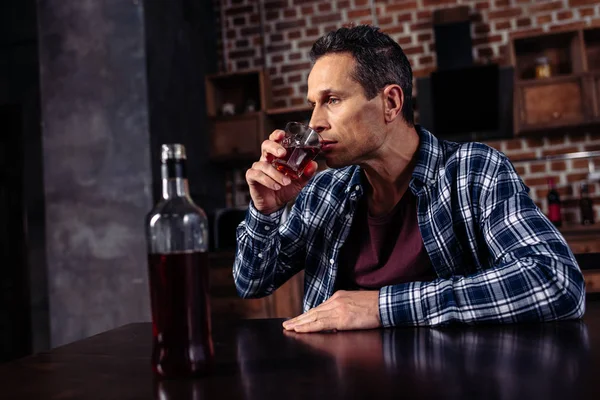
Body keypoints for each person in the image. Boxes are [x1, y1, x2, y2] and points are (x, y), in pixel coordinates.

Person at [233, 25, 585, 332]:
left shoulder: (474, 171)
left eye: (333, 100)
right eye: (313, 104)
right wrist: (265, 211)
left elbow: (556, 281)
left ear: (391, 102)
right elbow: (251, 282)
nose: (315, 123)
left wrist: (381, 307)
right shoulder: (324, 190)